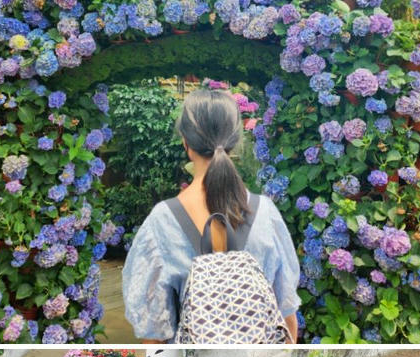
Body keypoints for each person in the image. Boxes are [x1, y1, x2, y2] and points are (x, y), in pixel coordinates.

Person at [121, 87, 301, 343]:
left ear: (185, 141)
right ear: (234, 141)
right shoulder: (265, 213)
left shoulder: (162, 222)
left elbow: (153, 334)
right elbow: (286, 317)